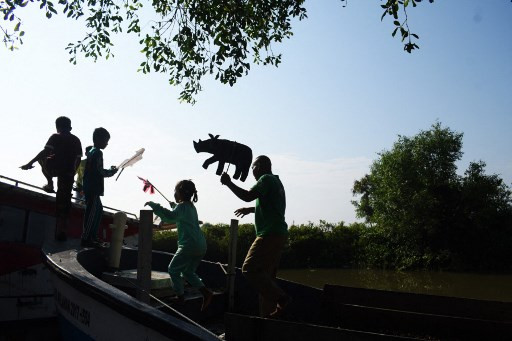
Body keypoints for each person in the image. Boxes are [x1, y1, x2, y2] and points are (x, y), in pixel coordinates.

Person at [220, 155, 291, 318]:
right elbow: (270, 206)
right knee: (266, 280)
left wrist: (229, 182)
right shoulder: (276, 182)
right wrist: (250, 210)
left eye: (252, 167)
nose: (252, 171)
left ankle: (282, 299)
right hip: (278, 234)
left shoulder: (265, 179)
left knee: (249, 268)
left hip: (269, 234)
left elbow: (247, 195)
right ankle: (268, 318)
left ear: (258, 166)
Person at [145, 180, 213, 311]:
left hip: (188, 245)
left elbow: (170, 217)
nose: (174, 194)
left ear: (180, 193)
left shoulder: (182, 208)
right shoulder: (191, 207)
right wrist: (173, 206)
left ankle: (180, 297)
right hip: (200, 245)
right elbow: (179, 213)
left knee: (173, 269)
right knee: (188, 272)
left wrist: (155, 206)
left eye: (175, 191)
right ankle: (206, 292)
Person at [21, 116, 83, 241]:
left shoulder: (56, 137)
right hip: (68, 173)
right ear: (70, 127)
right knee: (64, 200)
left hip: (55, 169)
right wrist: (73, 173)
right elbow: (78, 159)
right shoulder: (76, 139)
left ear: (57, 127)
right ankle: (63, 229)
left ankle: (50, 183)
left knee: (42, 159)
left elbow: (45, 152)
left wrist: (29, 163)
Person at [81, 128, 118, 247]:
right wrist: (111, 172)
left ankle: (93, 236)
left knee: (98, 210)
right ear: (98, 139)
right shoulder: (97, 152)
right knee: (92, 212)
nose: (107, 143)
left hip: (91, 187)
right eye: (105, 140)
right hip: (93, 188)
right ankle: (87, 238)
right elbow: (99, 171)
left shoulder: (92, 151)